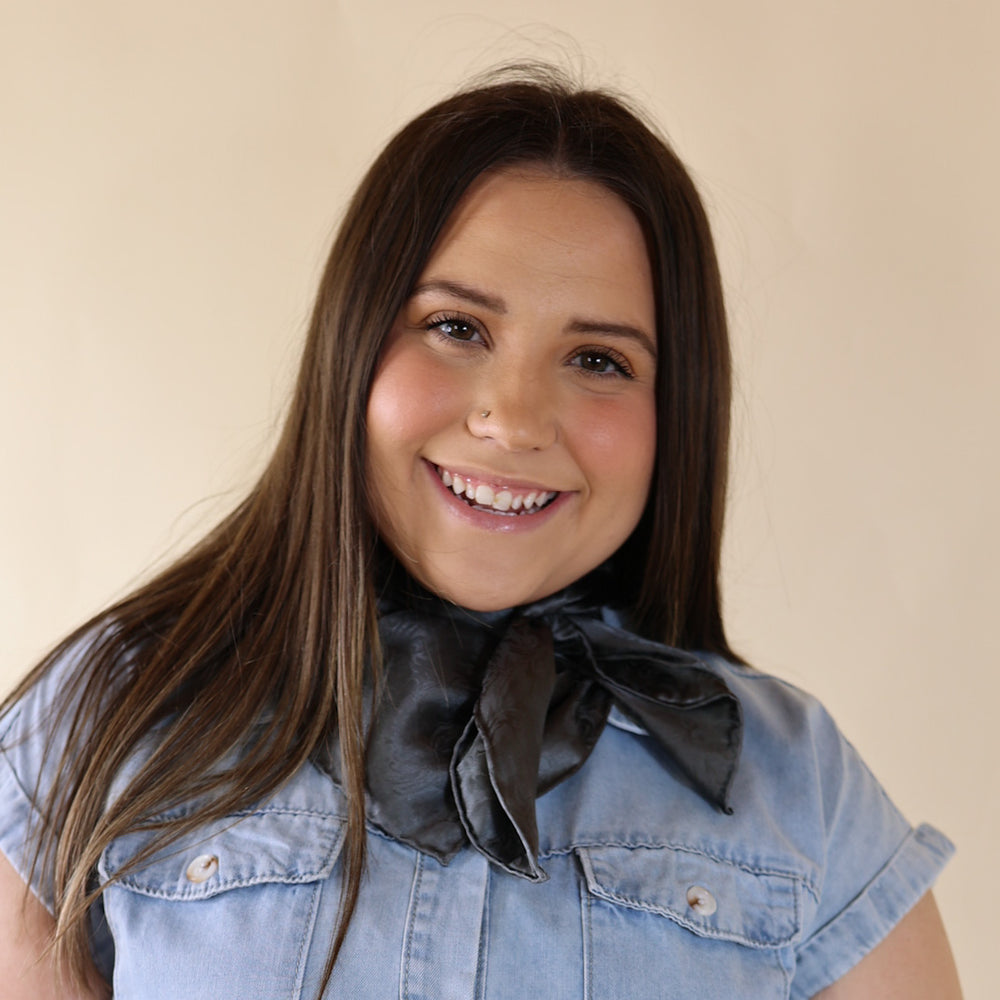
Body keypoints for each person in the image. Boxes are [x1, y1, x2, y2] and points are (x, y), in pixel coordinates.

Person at [0, 66, 962, 999]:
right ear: (353, 347)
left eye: (598, 358)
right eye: (457, 327)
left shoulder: (798, 787)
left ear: (679, 413)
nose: (515, 418)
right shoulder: (105, 719)